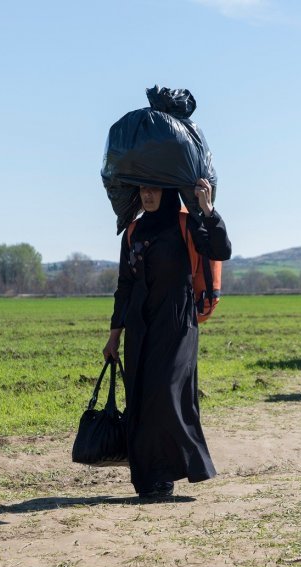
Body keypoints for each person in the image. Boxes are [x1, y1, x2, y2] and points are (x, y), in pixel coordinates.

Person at [103, 178, 231, 499]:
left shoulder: (186, 223)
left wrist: (208, 210)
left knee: (167, 392)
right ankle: (151, 478)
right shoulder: (132, 232)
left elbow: (221, 250)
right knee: (141, 400)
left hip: (177, 324)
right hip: (139, 327)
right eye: (143, 189)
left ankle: (175, 469)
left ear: (168, 191)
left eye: (155, 188)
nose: (147, 195)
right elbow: (125, 286)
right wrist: (114, 336)